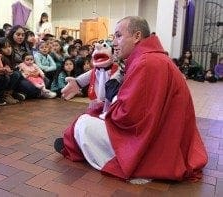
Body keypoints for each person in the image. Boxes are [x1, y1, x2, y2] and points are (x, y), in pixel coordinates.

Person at [54, 16, 208, 182]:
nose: (114, 43)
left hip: (152, 147)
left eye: (118, 36)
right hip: (165, 139)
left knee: (84, 123)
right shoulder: (150, 58)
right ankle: (77, 144)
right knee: (96, 114)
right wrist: (81, 83)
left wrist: (112, 100)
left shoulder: (146, 62)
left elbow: (129, 116)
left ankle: (90, 151)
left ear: (137, 36)